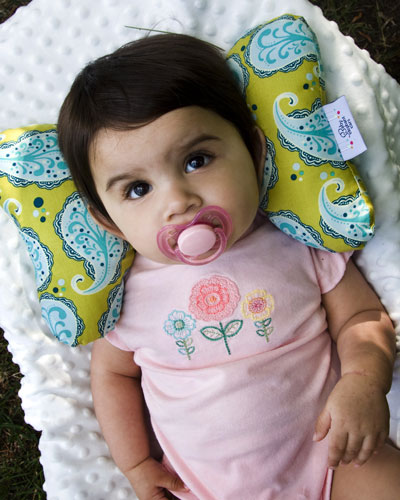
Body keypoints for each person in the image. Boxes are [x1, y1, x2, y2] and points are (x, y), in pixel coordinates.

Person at [58, 33, 400, 500]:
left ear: (255, 154)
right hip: (206, 488)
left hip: (335, 460)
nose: (179, 201)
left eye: (197, 160)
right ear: (108, 221)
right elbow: (114, 375)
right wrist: (136, 463)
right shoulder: (127, 296)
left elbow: (362, 319)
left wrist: (364, 381)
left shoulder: (297, 243)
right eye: (138, 189)